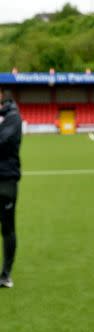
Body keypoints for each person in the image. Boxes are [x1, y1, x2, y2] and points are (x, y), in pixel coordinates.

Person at [0, 90, 22, 288]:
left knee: (7, 229)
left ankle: (5, 274)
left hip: (6, 181)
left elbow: (4, 142)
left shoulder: (13, 117)